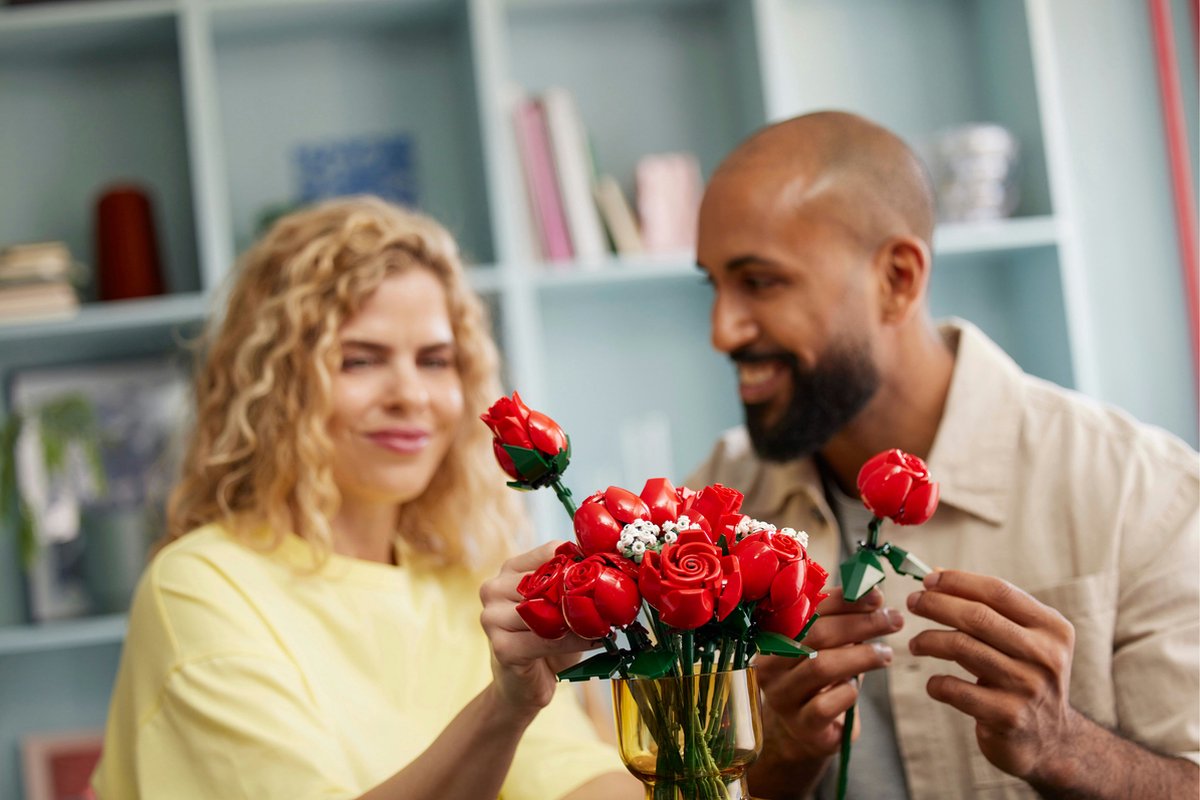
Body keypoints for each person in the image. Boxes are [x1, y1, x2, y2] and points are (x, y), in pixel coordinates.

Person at [688, 111, 1199, 799]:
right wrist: (775, 760)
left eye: (761, 282)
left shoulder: (1143, 493)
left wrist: (1062, 745)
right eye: (712, 286)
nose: (723, 330)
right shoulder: (702, 519)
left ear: (897, 279)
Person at [91, 197, 638, 799]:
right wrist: (504, 709)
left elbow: (577, 777)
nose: (410, 395)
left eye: (435, 360)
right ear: (278, 387)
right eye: (359, 360)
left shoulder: (465, 582)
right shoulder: (200, 587)